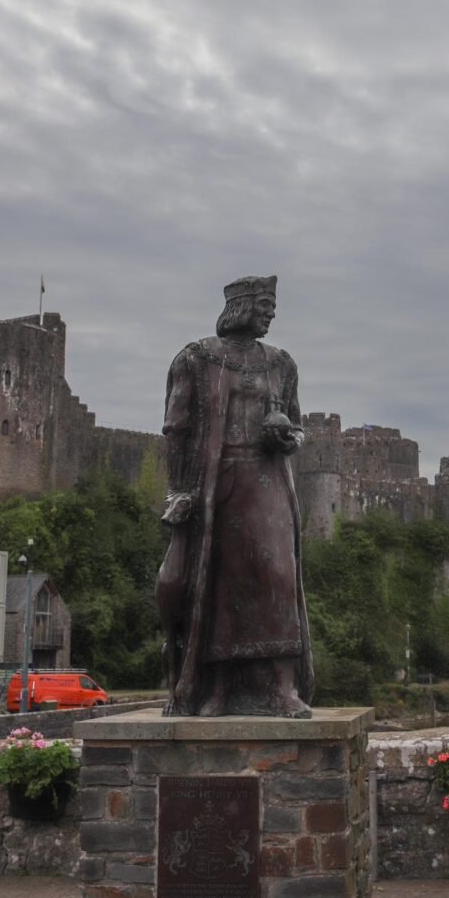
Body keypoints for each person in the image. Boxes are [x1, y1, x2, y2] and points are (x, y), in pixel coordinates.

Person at [155, 275, 313, 717]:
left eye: (273, 305)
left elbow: (300, 426)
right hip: (217, 485)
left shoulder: (282, 363)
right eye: (265, 304)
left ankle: (282, 687)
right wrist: (179, 490)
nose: (272, 313)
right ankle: (218, 688)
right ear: (242, 306)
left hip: (269, 483)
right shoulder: (196, 358)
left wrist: (288, 437)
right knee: (221, 583)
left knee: (277, 577)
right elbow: (176, 428)